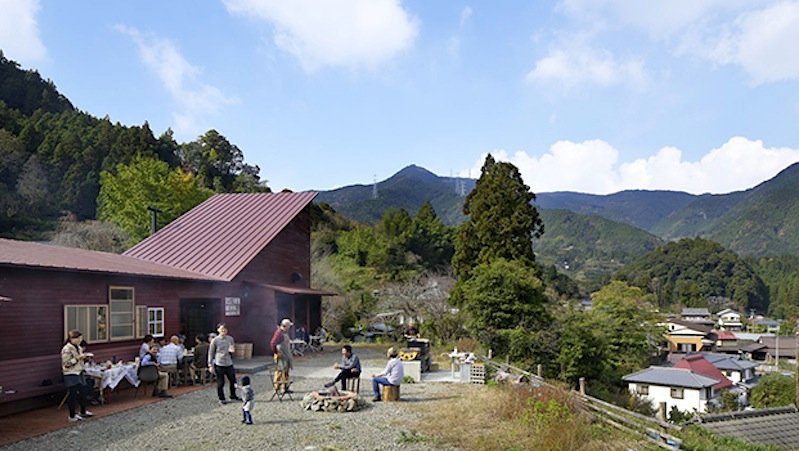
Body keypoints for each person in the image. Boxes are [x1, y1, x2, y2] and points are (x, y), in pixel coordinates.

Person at [61, 330, 94, 422]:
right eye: (78, 338)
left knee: (84, 391)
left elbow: (80, 360)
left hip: (79, 372)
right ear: (72, 339)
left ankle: (83, 411)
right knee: (73, 394)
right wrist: (78, 358)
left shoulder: (78, 347)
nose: (80, 340)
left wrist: (86, 358)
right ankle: (71, 415)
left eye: (81, 338)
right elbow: (66, 364)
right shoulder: (67, 349)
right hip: (70, 373)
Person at [209, 323, 239, 404]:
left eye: (225, 329)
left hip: (229, 362)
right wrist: (210, 364)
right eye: (221, 329)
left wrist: (232, 350)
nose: (223, 330)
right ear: (218, 330)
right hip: (219, 363)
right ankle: (221, 398)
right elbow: (211, 353)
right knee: (220, 382)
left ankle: (233, 395)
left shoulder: (230, 339)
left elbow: (232, 349)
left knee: (233, 380)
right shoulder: (215, 340)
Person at [270, 318, 294, 392]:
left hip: (286, 356)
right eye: (289, 326)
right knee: (279, 372)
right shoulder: (279, 333)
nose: (289, 328)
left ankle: (285, 388)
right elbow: (272, 343)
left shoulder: (284, 333)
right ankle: (276, 388)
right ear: (285, 326)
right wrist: (276, 352)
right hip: (281, 356)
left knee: (286, 372)